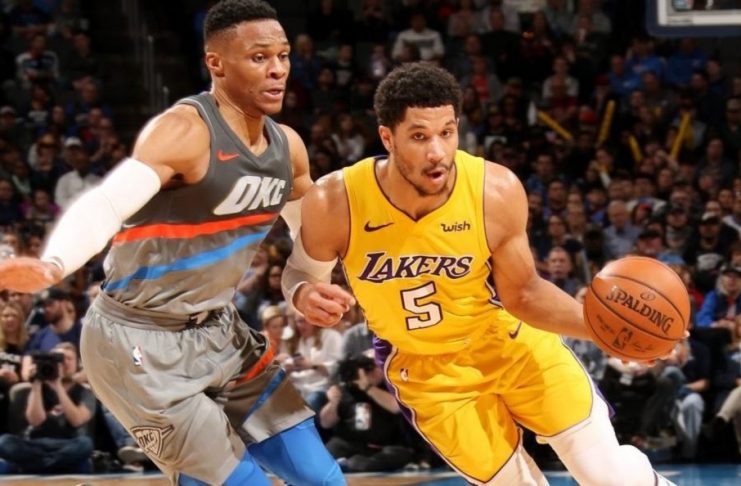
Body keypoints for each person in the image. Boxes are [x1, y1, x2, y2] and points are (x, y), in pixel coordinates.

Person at [283, 62, 676, 485]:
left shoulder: (494, 190)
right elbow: (300, 273)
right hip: (427, 373)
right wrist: (304, 293)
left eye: (447, 132)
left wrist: (610, 331)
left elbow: (524, 293)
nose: (437, 151)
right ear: (387, 137)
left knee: (609, 475)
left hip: (510, 344)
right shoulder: (336, 201)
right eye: (419, 136)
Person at [0, 1, 344, 485]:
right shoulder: (185, 132)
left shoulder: (287, 147)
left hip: (220, 331)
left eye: (283, 56)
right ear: (216, 63)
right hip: (137, 340)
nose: (277, 69)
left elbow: (312, 236)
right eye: (259, 57)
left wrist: (304, 288)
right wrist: (54, 263)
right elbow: (107, 203)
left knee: (323, 478)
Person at [0, 343, 95, 474]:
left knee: (86, 444)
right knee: (5, 442)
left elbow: (77, 420)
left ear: (77, 364)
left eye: (69, 358)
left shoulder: (85, 392)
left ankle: (37, 465)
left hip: (68, 443)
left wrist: (58, 386)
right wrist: (37, 384)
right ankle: (52, 463)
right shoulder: (36, 388)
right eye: (59, 358)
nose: (64, 363)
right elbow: (35, 421)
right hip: (35, 443)